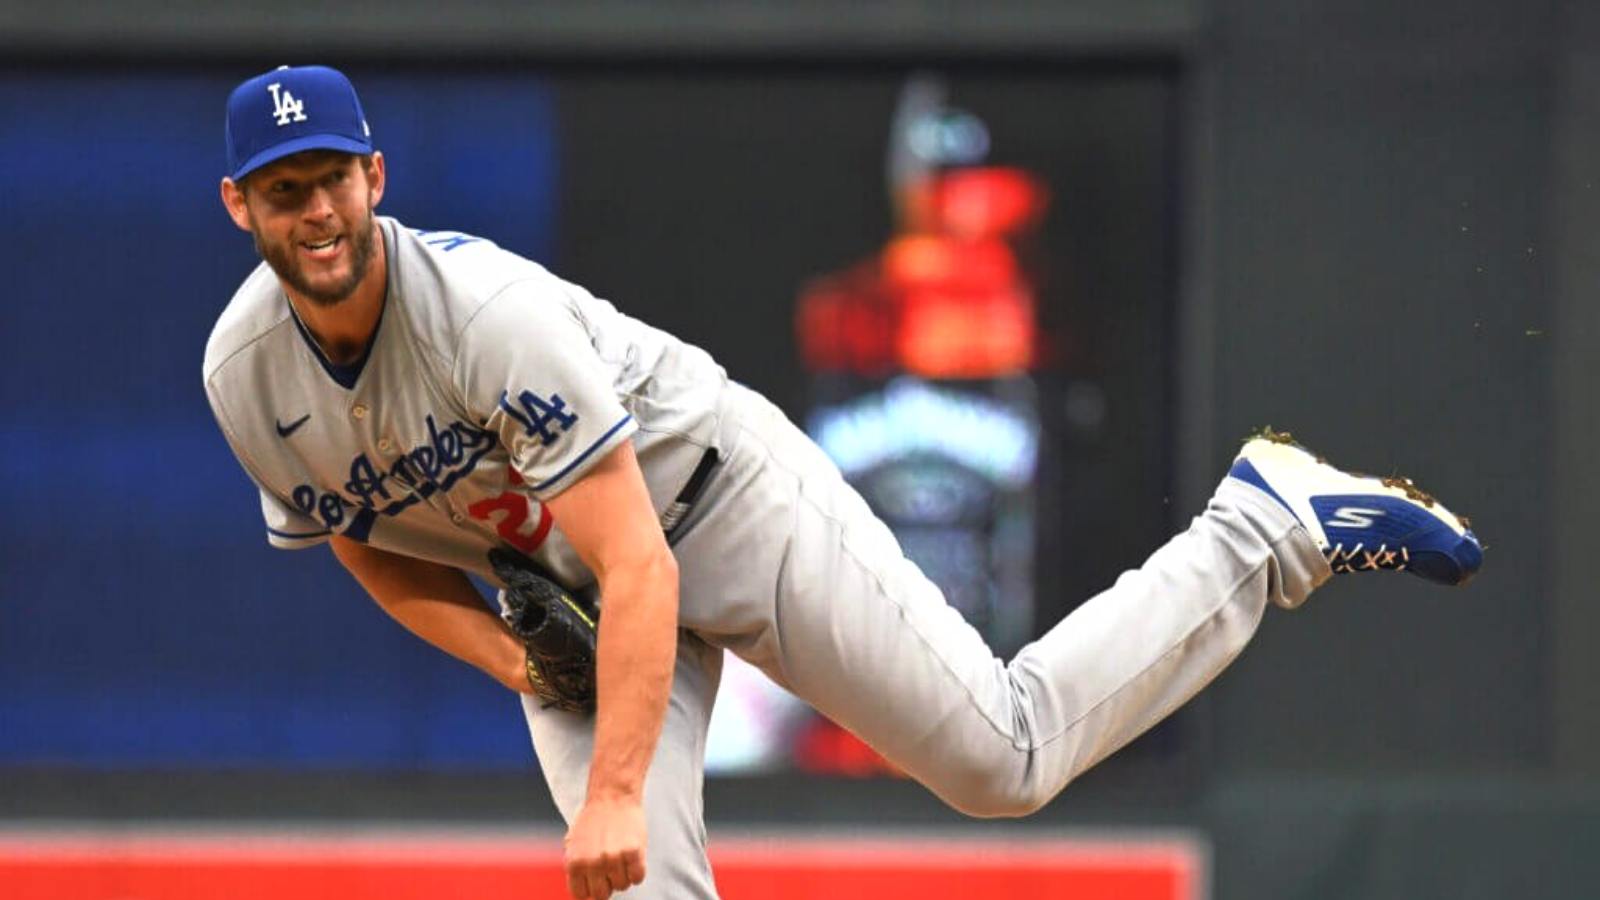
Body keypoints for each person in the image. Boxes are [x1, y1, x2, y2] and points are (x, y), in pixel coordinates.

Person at [204, 65, 1484, 900]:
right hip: (571, 593)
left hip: (712, 508)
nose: (310, 210)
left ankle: (1264, 528)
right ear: (238, 208)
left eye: (327, 178)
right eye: (280, 190)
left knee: (1002, 758)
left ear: (375, 178)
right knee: (641, 887)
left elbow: (644, 561)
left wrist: (606, 793)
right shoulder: (245, 377)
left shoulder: (483, 315)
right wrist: (516, 660)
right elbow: (363, 539)